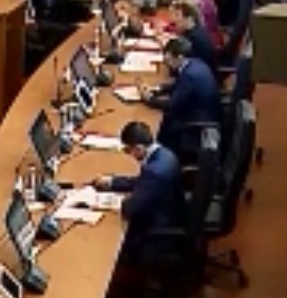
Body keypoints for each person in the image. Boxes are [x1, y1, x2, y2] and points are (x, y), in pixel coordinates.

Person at [93, 121, 183, 259]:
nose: (129, 155)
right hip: (172, 212)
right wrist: (111, 182)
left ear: (139, 148)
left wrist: (102, 202)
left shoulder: (153, 172)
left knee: (103, 236)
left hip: (156, 228)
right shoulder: (164, 154)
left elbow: (129, 209)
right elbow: (142, 182)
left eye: (128, 150)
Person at [145, 37, 223, 157]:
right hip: (206, 112)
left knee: (163, 125)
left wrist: (149, 100)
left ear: (180, 57)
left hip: (199, 121)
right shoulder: (195, 63)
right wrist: (159, 89)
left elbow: (172, 105)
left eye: (169, 60)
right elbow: (179, 84)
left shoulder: (189, 75)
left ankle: (166, 156)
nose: (166, 63)